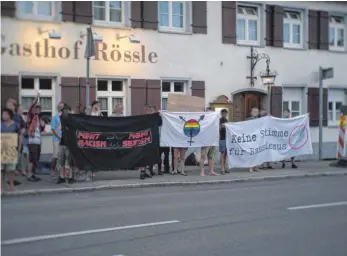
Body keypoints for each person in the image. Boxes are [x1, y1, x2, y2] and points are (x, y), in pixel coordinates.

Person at [1, 108, 22, 191]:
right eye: (2, 114)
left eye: (5, 114)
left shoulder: (16, 125)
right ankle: (1, 186)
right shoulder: (0, 124)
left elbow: (19, 136)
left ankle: (11, 185)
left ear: (9, 115)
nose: (3, 116)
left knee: (11, 169)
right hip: (2, 149)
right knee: (1, 169)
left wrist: (19, 147)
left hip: (12, 149)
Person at [26, 91, 45, 182]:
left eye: (39, 108)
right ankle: (29, 175)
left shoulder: (39, 118)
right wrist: (37, 98)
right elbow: (30, 108)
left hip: (38, 141)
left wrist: (43, 126)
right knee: (32, 158)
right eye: (36, 108)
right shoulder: (31, 116)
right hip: (32, 140)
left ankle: (33, 174)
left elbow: (41, 130)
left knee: (36, 158)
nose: (37, 109)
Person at [56, 104, 74, 184]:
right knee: (61, 161)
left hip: (69, 143)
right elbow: (59, 128)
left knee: (69, 162)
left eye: (67, 111)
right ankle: (62, 177)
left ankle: (70, 177)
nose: (65, 112)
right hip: (62, 142)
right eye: (64, 111)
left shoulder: (72, 121)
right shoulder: (62, 119)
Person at [200, 107, 219, 176]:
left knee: (211, 156)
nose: (209, 113)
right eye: (208, 112)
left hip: (213, 140)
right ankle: (202, 172)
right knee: (203, 156)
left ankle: (211, 171)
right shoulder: (203, 120)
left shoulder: (215, 120)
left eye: (211, 112)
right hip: (205, 140)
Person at [51, 102, 64, 177]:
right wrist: (59, 137)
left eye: (62, 107)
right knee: (55, 155)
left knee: (62, 156)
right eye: (60, 107)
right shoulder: (55, 117)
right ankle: (53, 170)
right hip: (56, 139)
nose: (61, 108)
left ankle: (61, 171)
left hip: (63, 139)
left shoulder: (65, 117)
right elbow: (53, 129)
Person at [247, 107, 260, 172]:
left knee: (257, 153)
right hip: (250, 139)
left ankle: (256, 167)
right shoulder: (248, 119)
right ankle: (250, 167)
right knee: (251, 153)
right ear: (251, 112)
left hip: (258, 139)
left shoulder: (260, 120)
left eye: (257, 112)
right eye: (254, 111)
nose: (255, 113)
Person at [219, 109, 230, 175]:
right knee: (222, 154)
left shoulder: (227, 120)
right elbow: (218, 129)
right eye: (224, 113)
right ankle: (222, 168)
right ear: (221, 114)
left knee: (226, 154)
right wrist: (221, 126)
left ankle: (225, 167)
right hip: (222, 139)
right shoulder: (219, 120)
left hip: (227, 139)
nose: (225, 115)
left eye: (226, 113)